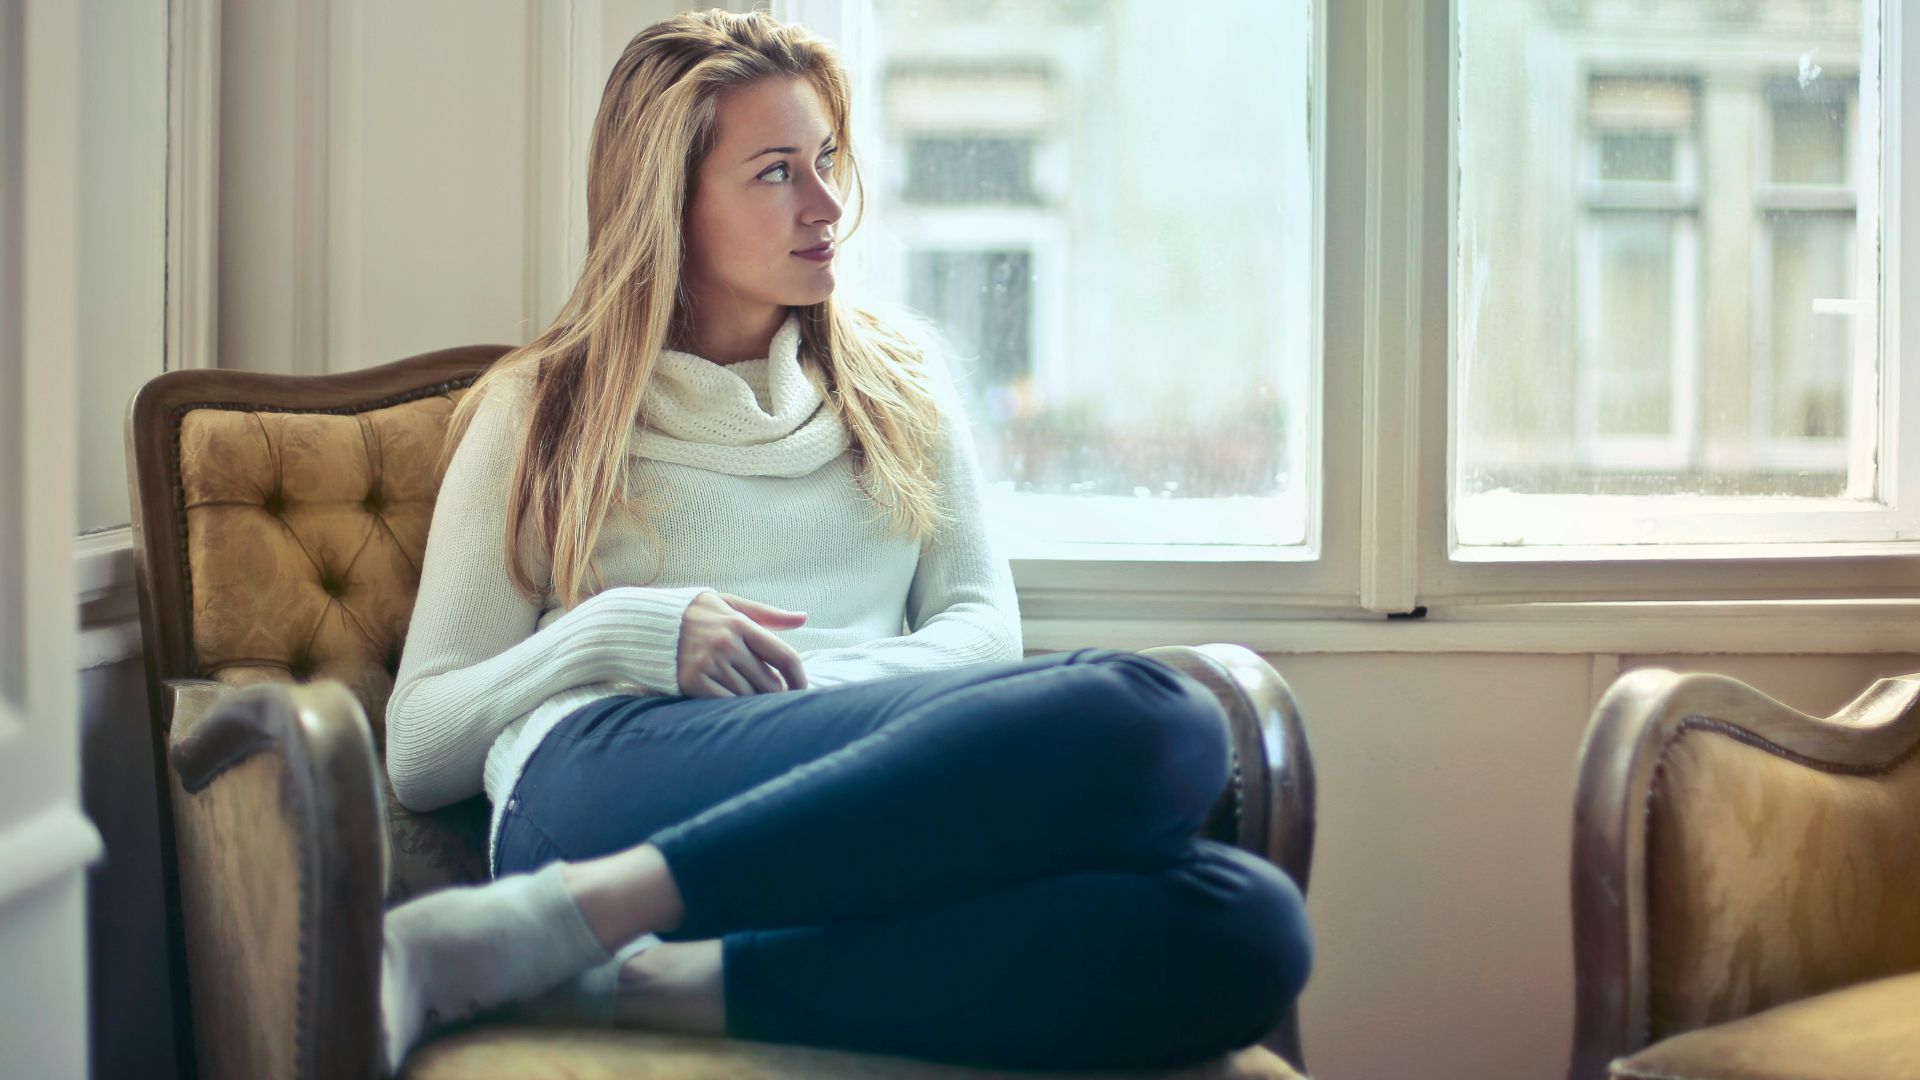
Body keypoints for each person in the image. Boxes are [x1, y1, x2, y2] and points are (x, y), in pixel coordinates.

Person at [377, 8, 1311, 1076]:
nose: (826, 204)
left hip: (855, 783)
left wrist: (810, 691)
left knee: (1248, 925)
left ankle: (636, 982)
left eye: (825, 159)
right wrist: (623, 631)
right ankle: (565, 913)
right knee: (1155, 716)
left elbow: (981, 629)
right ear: (666, 205)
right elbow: (421, 744)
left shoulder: (899, 382)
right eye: (776, 173)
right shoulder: (542, 409)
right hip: (606, 778)